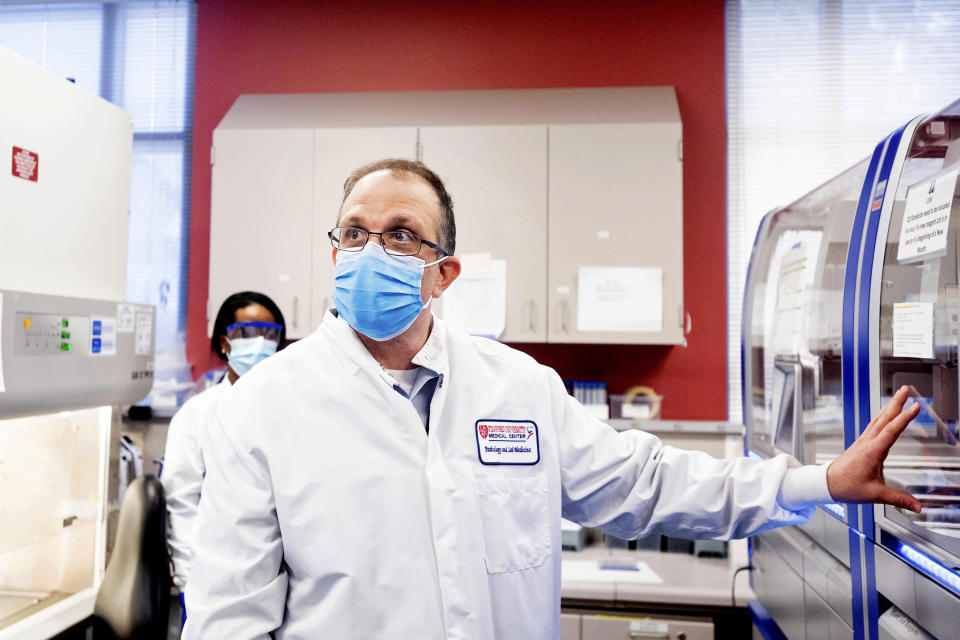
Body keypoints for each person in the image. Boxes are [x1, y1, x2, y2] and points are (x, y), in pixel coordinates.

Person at [183, 159, 921, 639]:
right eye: (354, 233)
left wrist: (817, 482)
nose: (371, 251)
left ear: (444, 274)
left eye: (402, 235)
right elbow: (229, 619)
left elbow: (648, 483)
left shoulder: (518, 388)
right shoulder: (261, 408)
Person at [161, 291, 286, 600]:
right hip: (215, 582)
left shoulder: (293, 411)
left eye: (268, 333)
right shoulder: (197, 415)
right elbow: (182, 503)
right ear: (223, 342)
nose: (259, 342)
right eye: (246, 333)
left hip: (283, 580)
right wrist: (191, 585)